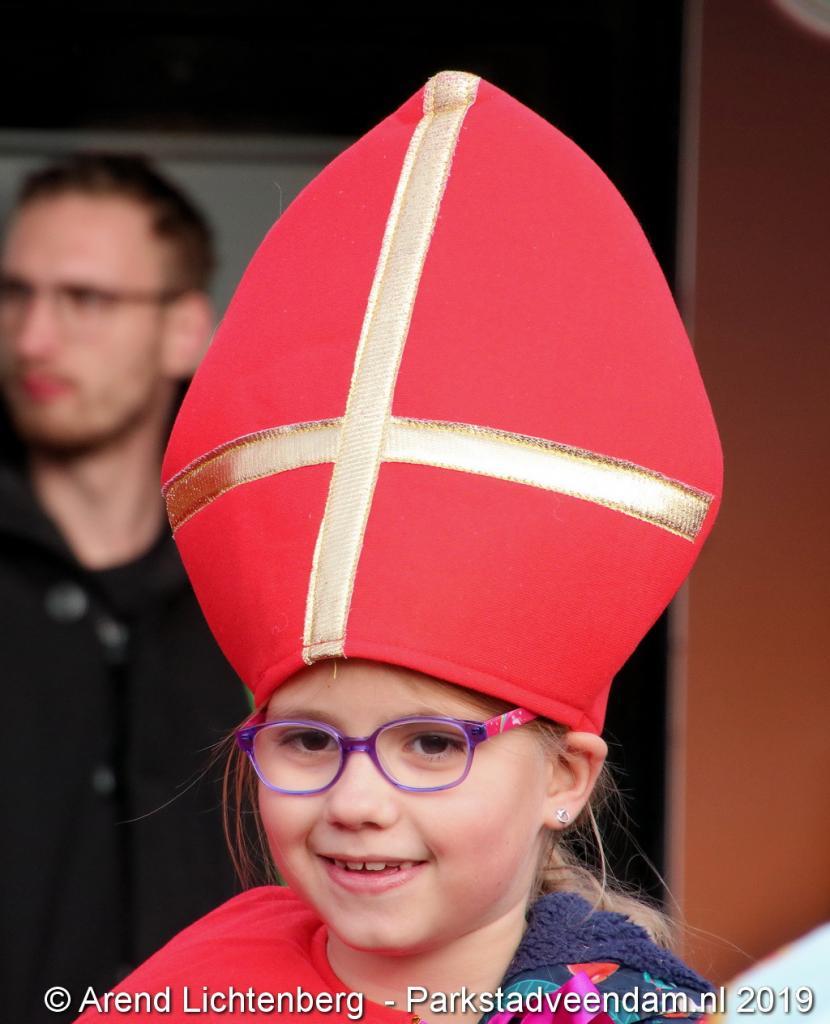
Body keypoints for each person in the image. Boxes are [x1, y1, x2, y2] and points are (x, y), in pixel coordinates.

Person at [75, 71, 723, 1024]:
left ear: (563, 779)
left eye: (430, 744)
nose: (357, 802)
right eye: (307, 741)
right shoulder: (189, 992)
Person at [0, 155, 249, 1022]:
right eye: (15, 294)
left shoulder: (267, 578)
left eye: (86, 299)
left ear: (184, 330)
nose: (34, 338)